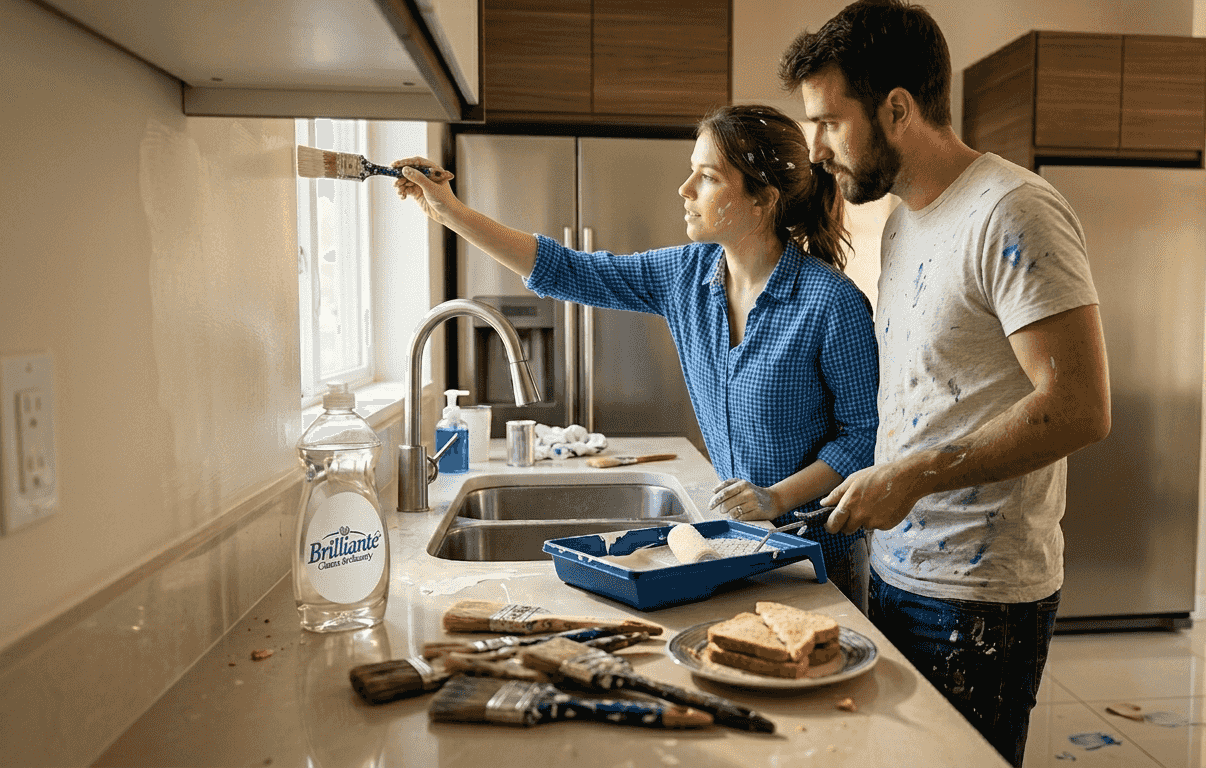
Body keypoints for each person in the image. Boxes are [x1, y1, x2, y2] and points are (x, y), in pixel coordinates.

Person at [779, 2, 1112, 765]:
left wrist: (913, 475)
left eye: (830, 121)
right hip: (897, 569)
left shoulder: (1013, 211)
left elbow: (1080, 407)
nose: (816, 146)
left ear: (897, 108)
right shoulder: (902, 221)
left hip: (980, 596)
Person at [393, 105, 879, 602]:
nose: (685, 189)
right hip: (738, 549)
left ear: (763, 201)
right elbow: (569, 270)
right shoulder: (688, 275)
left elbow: (864, 438)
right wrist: (449, 211)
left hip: (817, 559)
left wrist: (776, 498)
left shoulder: (831, 303)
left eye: (707, 177)